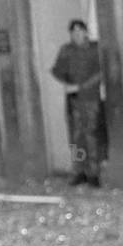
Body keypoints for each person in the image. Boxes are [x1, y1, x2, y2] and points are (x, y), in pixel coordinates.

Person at [51, 20, 103, 187]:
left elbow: (100, 73)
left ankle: (93, 172)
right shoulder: (66, 50)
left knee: (91, 136)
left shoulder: (95, 49)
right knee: (76, 137)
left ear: (86, 32)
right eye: (73, 33)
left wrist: (81, 86)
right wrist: (66, 79)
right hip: (73, 100)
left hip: (90, 99)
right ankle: (79, 170)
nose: (76, 35)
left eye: (80, 32)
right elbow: (57, 69)